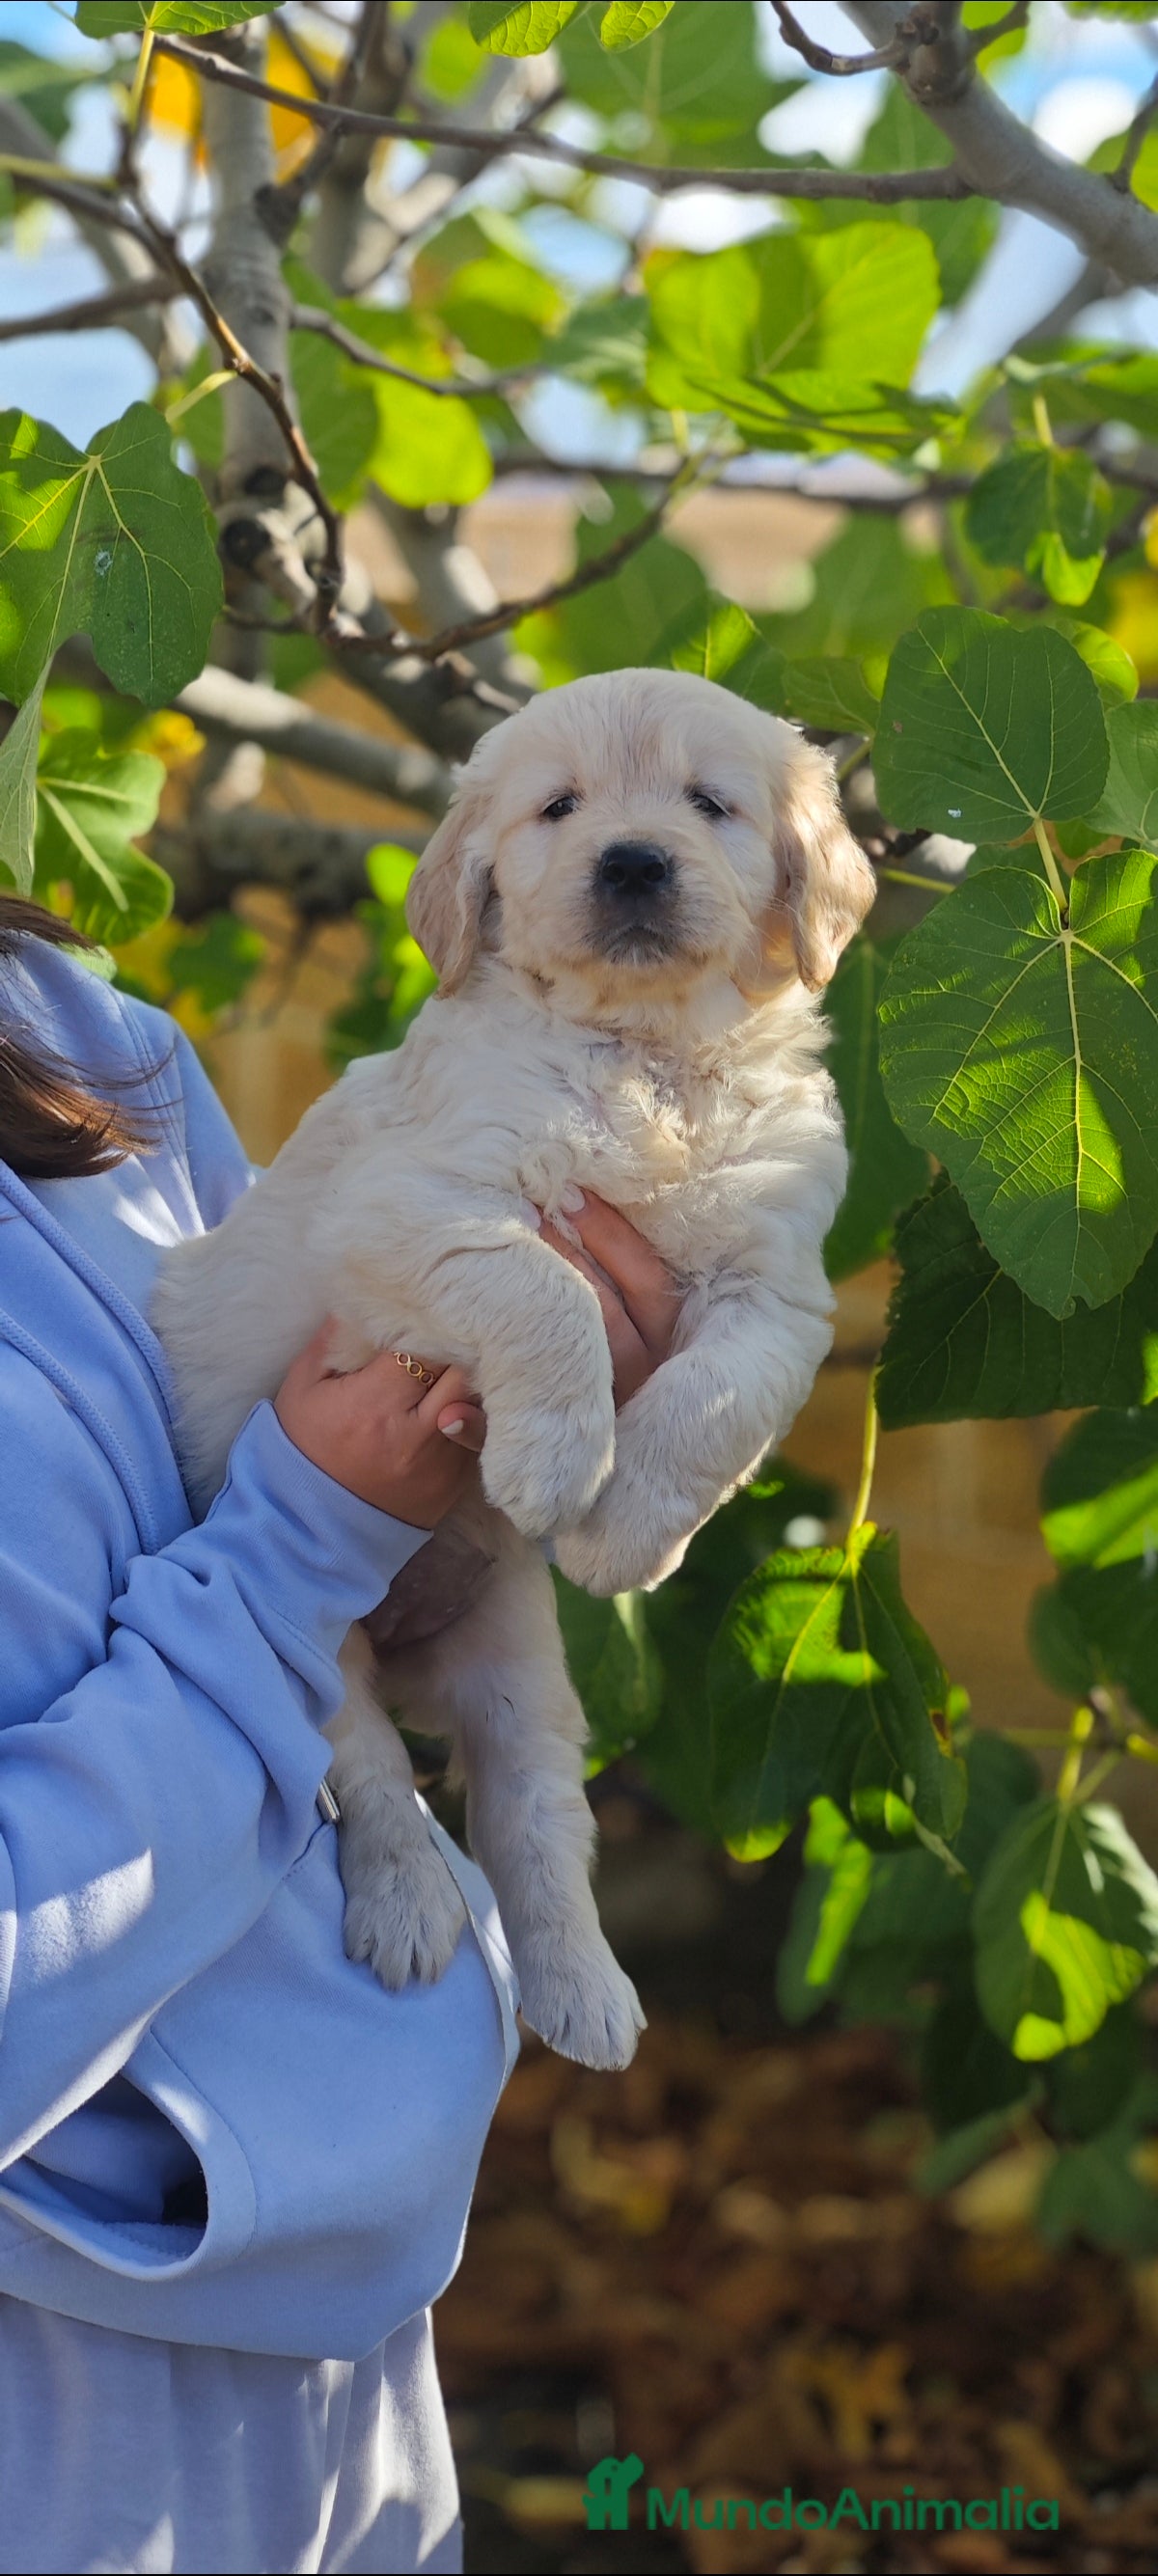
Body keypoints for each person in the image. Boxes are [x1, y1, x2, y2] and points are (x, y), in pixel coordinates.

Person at [0, 897, 679, 2576]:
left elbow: (310, 1416)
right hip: (68, 2444)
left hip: (341, 2363)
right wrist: (308, 1540)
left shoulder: (77, 1037)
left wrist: (532, 1405)